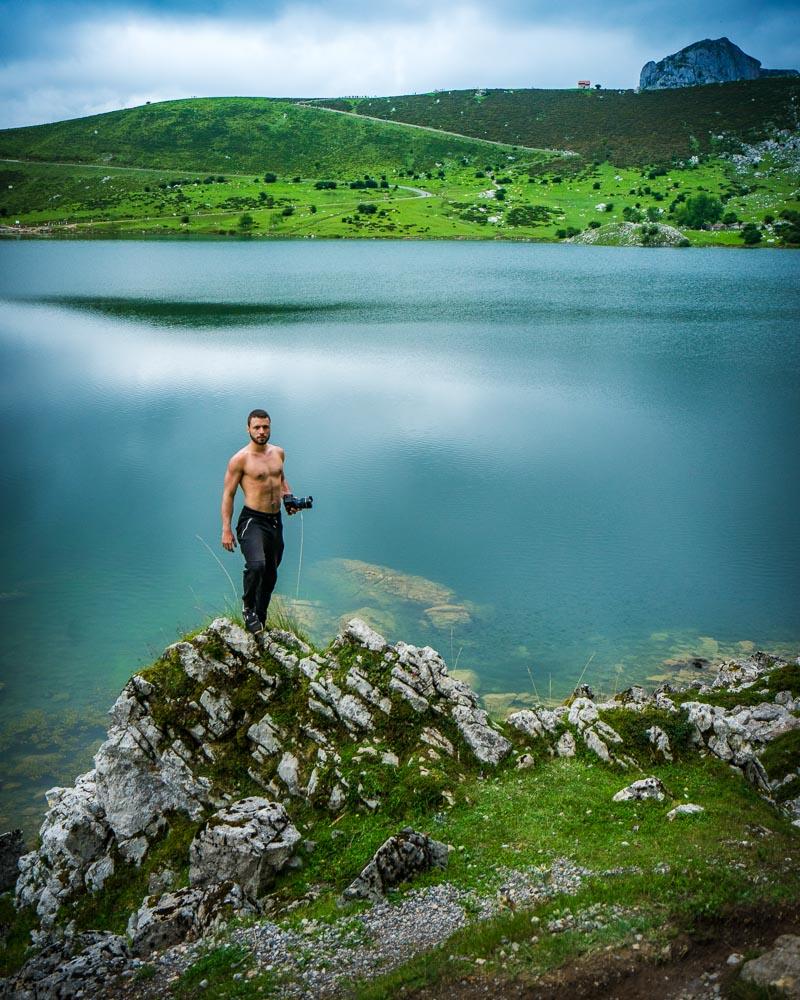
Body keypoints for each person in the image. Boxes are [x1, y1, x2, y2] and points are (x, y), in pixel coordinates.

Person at [221, 409, 297, 634]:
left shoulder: (279, 453)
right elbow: (228, 494)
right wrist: (226, 528)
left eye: (265, 427)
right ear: (248, 429)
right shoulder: (240, 460)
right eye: (257, 427)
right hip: (252, 520)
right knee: (257, 565)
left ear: (270, 427)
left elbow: (281, 479)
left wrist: (289, 499)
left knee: (271, 574)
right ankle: (248, 608)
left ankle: (260, 619)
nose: (262, 431)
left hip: (275, 521)